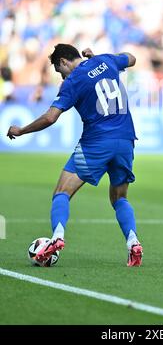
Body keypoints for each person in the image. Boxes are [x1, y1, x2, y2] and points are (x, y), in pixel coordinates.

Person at [7, 44, 143, 267]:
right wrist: (97, 57)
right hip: (126, 140)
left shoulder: (72, 81)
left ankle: (57, 237)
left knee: (61, 192)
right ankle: (133, 242)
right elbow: (132, 58)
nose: (61, 75)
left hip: (96, 143)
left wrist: (21, 131)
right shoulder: (106, 60)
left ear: (62, 61)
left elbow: (51, 117)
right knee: (120, 198)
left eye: (59, 70)